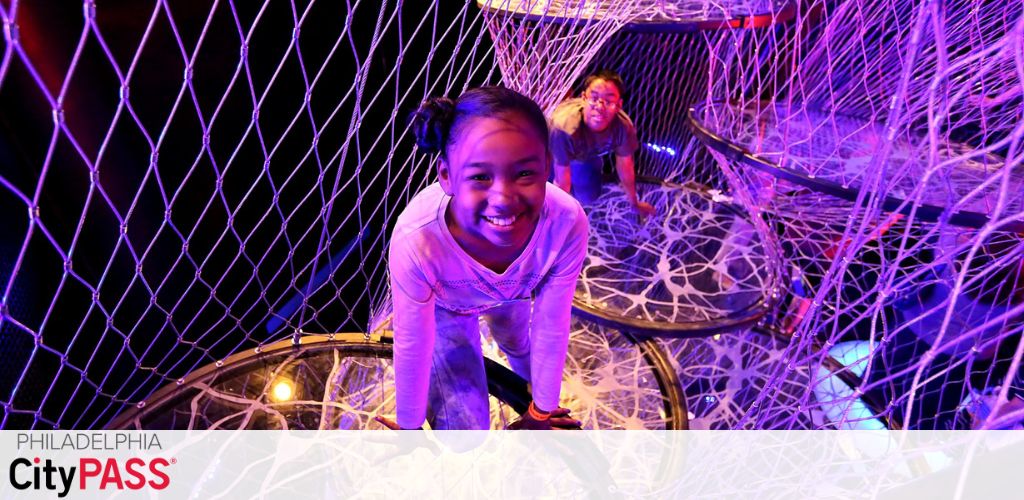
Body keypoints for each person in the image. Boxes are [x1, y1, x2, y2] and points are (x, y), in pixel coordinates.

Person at [379, 86, 588, 431]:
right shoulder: (416, 239)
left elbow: (552, 321)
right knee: (464, 431)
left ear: (547, 168)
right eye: (480, 177)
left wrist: (542, 410)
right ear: (446, 176)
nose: (503, 198)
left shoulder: (566, 222)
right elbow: (413, 340)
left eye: (524, 173)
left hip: (512, 294)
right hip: (447, 307)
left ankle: (535, 402)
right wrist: (408, 426)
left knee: (519, 344)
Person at [550, 69, 655, 216]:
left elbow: (625, 167)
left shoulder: (623, 127)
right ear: (583, 98)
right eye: (594, 98)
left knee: (588, 197)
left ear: (619, 105)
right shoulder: (563, 128)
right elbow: (561, 181)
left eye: (609, 101)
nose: (600, 107)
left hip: (584, 154)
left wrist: (634, 203)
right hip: (548, 150)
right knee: (549, 198)